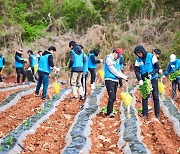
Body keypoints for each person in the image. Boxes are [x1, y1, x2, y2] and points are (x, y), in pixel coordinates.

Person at [134, 45, 160, 119]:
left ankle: (157, 114)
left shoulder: (151, 57)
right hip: (144, 80)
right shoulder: (138, 60)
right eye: (137, 54)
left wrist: (152, 74)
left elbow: (157, 67)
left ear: (142, 51)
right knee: (145, 96)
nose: (139, 55)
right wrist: (139, 79)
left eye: (139, 53)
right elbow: (136, 70)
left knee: (155, 96)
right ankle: (145, 114)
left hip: (153, 79)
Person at [104, 48, 128, 117]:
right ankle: (109, 112)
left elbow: (118, 70)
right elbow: (113, 70)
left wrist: (124, 76)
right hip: (109, 79)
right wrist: (122, 76)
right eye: (118, 55)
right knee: (111, 96)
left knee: (114, 97)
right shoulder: (109, 59)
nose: (118, 57)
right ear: (115, 52)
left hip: (115, 80)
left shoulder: (117, 60)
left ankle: (110, 110)